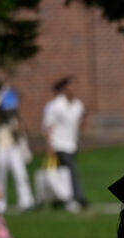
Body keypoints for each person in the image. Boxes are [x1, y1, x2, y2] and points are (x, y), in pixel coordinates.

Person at [42, 76, 86, 211]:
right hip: (59, 144)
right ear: (64, 88)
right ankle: (76, 197)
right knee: (70, 171)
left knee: (62, 174)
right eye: (71, 86)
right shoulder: (55, 105)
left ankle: (59, 199)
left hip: (71, 144)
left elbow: (79, 122)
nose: (74, 89)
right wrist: (49, 145)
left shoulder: (78, 105)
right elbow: (48, 126)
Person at [0, 83, 35, 213]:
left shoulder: (15, 117)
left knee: (20, 173)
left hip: (14, 146)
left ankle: (26, 201)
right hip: (1, 146)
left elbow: (23, 129)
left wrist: (18, 128)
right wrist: (2, 94)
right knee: (0, 174)